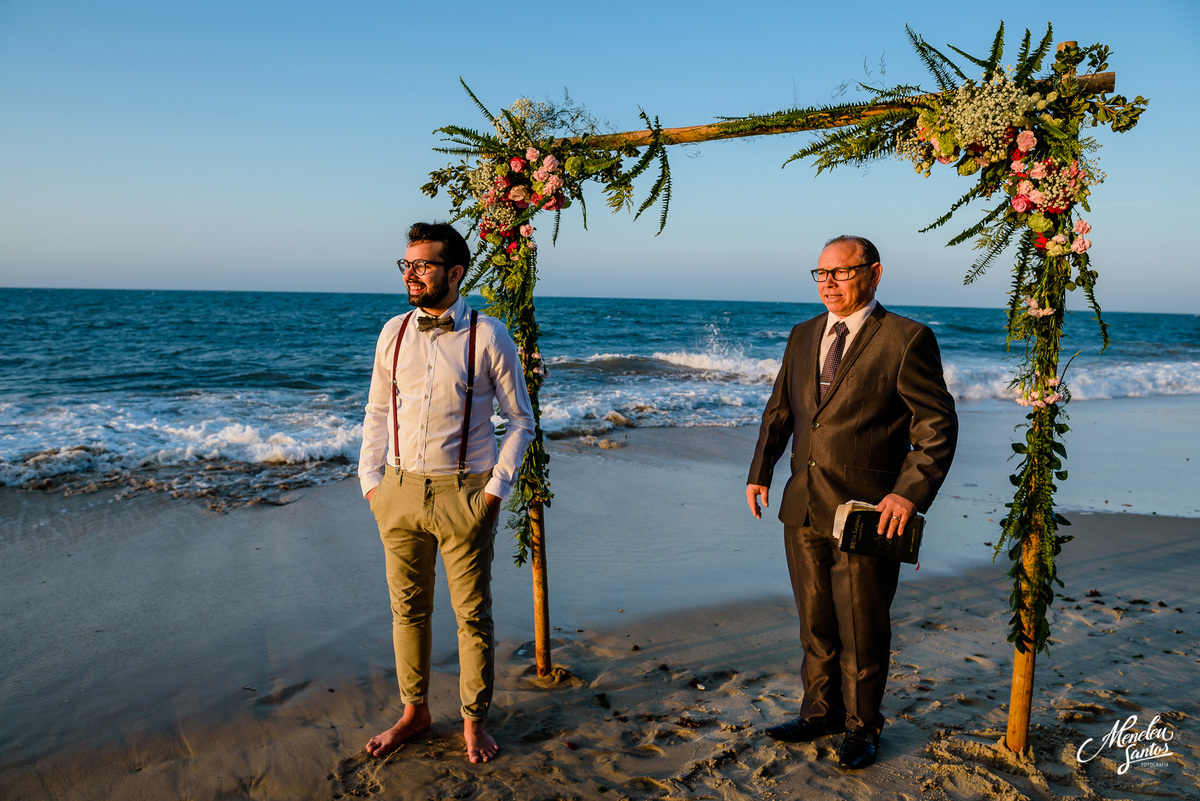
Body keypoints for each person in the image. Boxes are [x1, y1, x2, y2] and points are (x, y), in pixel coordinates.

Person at [746, 235, 957, 770]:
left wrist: (908, 495)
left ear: (874, 273)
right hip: (804, 503)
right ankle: (820, 712)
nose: (829, 283)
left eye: (840, 272)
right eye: (820, 274)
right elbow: (781, 411)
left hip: (870, 513)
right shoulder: (802, 335)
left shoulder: (907, 339)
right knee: (814, 621)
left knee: (862, 626)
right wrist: (761, 471)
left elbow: (936, 427)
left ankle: (863, 725)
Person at [359, 222, 534, 763]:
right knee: (406, 611)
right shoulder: (392, 331)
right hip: (399, 491)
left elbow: (520, 420)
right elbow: (377, 412)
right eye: (406, 265)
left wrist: (496, 488)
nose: (411, 274)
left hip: (466, 494)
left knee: (471, 616)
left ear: (455, 272)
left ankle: (473, 721)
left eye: (423, 265)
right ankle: (414, 713)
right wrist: (371, 483)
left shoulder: (490, 334)